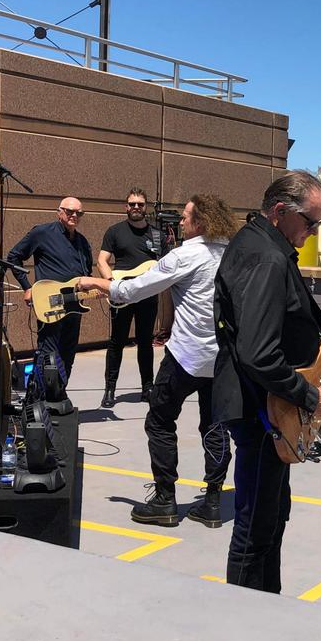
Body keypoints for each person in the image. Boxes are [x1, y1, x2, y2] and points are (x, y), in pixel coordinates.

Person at [213, 170, 321, 593]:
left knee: (271, 516)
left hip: (265, 406)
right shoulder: (268, 258)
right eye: (311, 222)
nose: (315, 231)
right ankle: (246, 619)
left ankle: (268, 606)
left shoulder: (259, 245)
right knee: (255, 527)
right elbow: (259, 353)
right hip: (264, 411)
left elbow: (272, 337)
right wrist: (311, 396)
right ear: (280, 211)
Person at [77, 194, 236, 528]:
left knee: (160, 422)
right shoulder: (235, 254)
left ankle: (164, 500)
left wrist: (95, 282)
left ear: (201, 221)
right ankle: (212, 502)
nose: (180, 221)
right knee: (215, 427)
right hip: (223, 359)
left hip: (186, 355)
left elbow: (133, 290)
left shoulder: (186, 254)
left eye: (186, 216)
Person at [7, 197, 93, 385]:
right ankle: (41, 399)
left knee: (68, 354)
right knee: (49, 355)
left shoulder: (83, 242)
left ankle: (59, 394)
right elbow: (14, 257)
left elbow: (86, 274)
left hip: (74, 306)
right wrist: (27, 287)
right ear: (59, 212)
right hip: (50, 304)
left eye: (79, 213)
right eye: (70, 212)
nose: (74, 216)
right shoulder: (42, 233)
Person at [97, 187, 159, 407]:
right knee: (117, 342)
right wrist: (113, 285)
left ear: (145, 207)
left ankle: (147, 388)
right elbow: (102, 260)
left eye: (140, 204)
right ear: (126, 207)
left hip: (148, 296)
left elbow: (166, 265)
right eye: (132, 204)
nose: (136, 208)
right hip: (122, 295)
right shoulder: (114, 231)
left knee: (145, 342)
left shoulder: (156, 234)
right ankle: (110, 389)